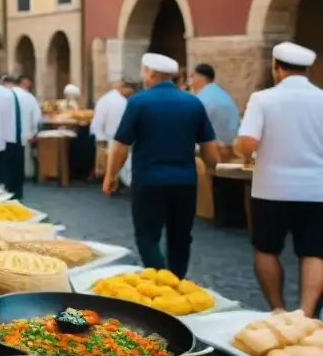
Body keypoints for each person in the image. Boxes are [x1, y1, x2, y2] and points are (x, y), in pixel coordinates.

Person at [104, 53, 220, 278]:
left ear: (149, 73)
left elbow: (120, 144)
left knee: (147, 237)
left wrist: (111, 175)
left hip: (149, 180)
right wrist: (215, 169)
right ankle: (177, 280)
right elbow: (210, 147)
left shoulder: (138, 102)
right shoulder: (193, 102)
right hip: (185, 182)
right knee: (181, 237)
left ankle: (161, 280)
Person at [235, 42, 323, 316]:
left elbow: (247, 142)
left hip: (271, 188)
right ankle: (307, 315)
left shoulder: (263, 99)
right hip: (316, 189)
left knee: (266, 249)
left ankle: (278, 309)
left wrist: (247, 153)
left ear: (276, 66)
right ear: (307, 69)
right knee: (314, 253)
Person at [2, 75, 41, 200]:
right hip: (21, 138)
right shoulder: (29, 97)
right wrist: (34, 132)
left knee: (5, 166)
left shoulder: (3, 95)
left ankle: (5, 191)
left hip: (3, 138)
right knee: (18, 167)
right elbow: (37, 118)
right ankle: (17, 194)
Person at [189, 63, 241, 149]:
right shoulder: (220, 93)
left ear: (201, 77)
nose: (190, 79)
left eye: (192, 76)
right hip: (231, 147)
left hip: (214, 148)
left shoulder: (203, 98)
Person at [92, 79, 132, 185]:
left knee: (113, 164)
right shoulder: (123, 101)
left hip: (109, 137)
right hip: (119, 137)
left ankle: (115, 183)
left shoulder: (104, 100)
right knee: (122, 164)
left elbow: (98, 120)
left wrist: (99, 137)